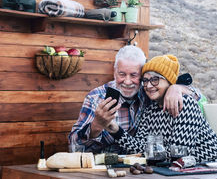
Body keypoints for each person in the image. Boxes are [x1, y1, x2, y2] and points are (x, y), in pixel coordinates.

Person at [69, 46, 202, 153]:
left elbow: (197, 96)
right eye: (122, 74)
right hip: (103, 165)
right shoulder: (96, 97)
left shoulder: (149, 93)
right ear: (114, 72)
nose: (127, 81)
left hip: (142, 166)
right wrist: (96, 126)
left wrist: (177, 88)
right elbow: (74, 146)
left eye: (134, 75)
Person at [108, 54, 217, 163]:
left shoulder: (185, 104)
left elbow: (179, 153)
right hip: (186, 171)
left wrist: (150, 152)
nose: (148, 85)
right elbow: (139, 147)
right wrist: (115, 130)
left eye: (155, 80)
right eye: (145, 80)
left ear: (169, 82)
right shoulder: (150, 111)